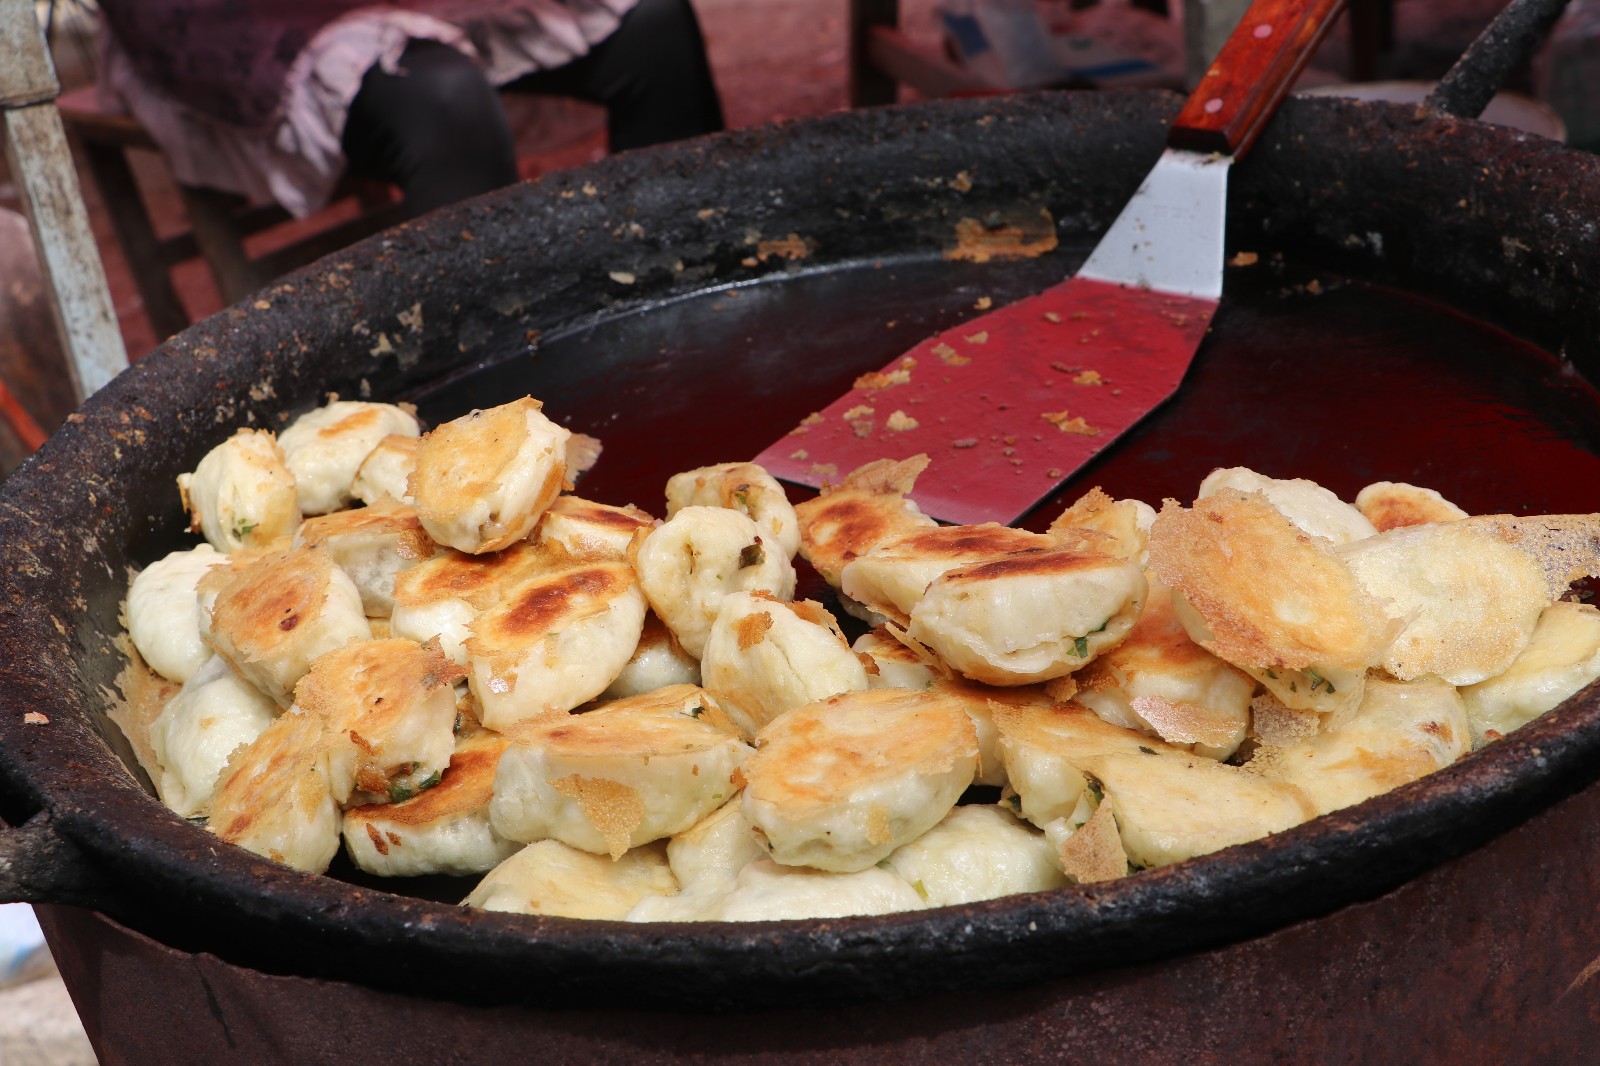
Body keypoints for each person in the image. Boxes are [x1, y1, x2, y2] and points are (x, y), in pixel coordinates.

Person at [96, 0, 725, 219]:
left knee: (651, 24)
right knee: (441, 96)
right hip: (230, 20)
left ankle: (684, 275)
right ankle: (488, 403)